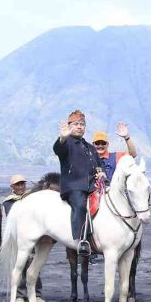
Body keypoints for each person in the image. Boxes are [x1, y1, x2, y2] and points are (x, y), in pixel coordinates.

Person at [53, 110, 100, 256]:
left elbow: (99, 166)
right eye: (76, 124)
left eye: (82, 124)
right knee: (80, 205)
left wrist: (102, 173)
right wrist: (62, 138)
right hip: (73, 187)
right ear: (69, 126)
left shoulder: (91, 148)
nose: (80, 127)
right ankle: (80, 241)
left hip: (92, 186)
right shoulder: (66, 143)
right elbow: (58, 149)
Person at [3, 175, 45, 302]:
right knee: (19, 265)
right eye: (18, 185)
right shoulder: (7, 203)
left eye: (22, 184)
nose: (21, 187)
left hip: (31, 237)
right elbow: (5, 223)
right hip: (16, 238)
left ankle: (36, 294)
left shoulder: (31, 200)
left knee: (34, 264)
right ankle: (20, 295)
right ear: (12, 187)